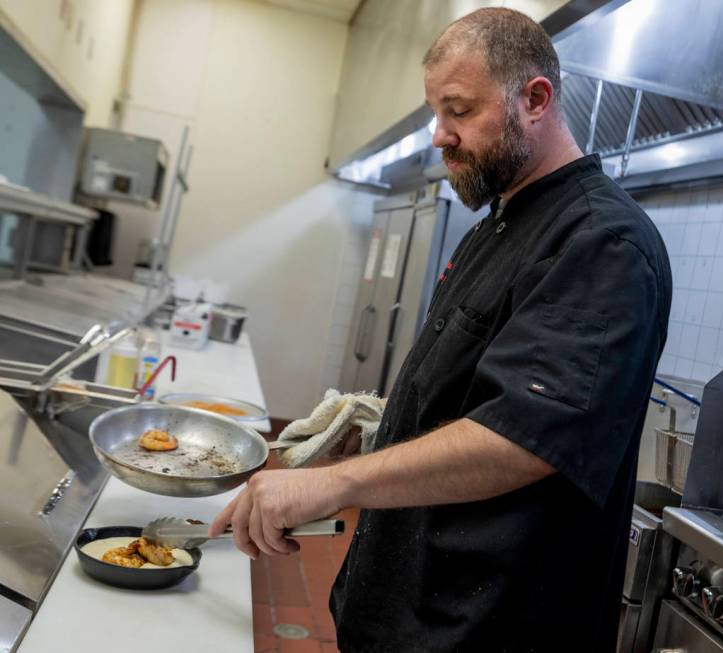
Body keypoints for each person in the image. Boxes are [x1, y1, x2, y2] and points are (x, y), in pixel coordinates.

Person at [210, 7, 671, 652]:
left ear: (534, 99)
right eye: (435, 112)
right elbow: (465, 395)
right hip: (401, 607)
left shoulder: (602, 242)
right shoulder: (499, 223)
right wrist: (376, 432)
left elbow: (525, 438)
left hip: (487, 630)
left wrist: (333, 484)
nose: (439, 135)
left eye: (458, 111)